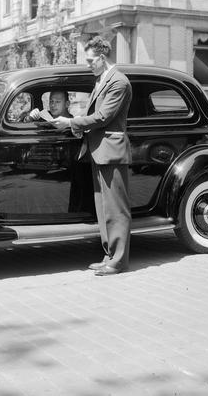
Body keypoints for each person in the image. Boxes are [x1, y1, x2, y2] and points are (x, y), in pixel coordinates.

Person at [51, 36, 132, 276]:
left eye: (90, 60)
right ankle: (109, 256)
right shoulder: (101, 80)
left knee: (116, 210)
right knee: (103, 208)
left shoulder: (119, 82)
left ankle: (118, 261)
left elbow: (103, 117)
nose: (87, 64)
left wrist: (70, 121)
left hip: (111, 151)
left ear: (102, 57)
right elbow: (93, 114)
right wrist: (75, 124)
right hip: (99, 152)